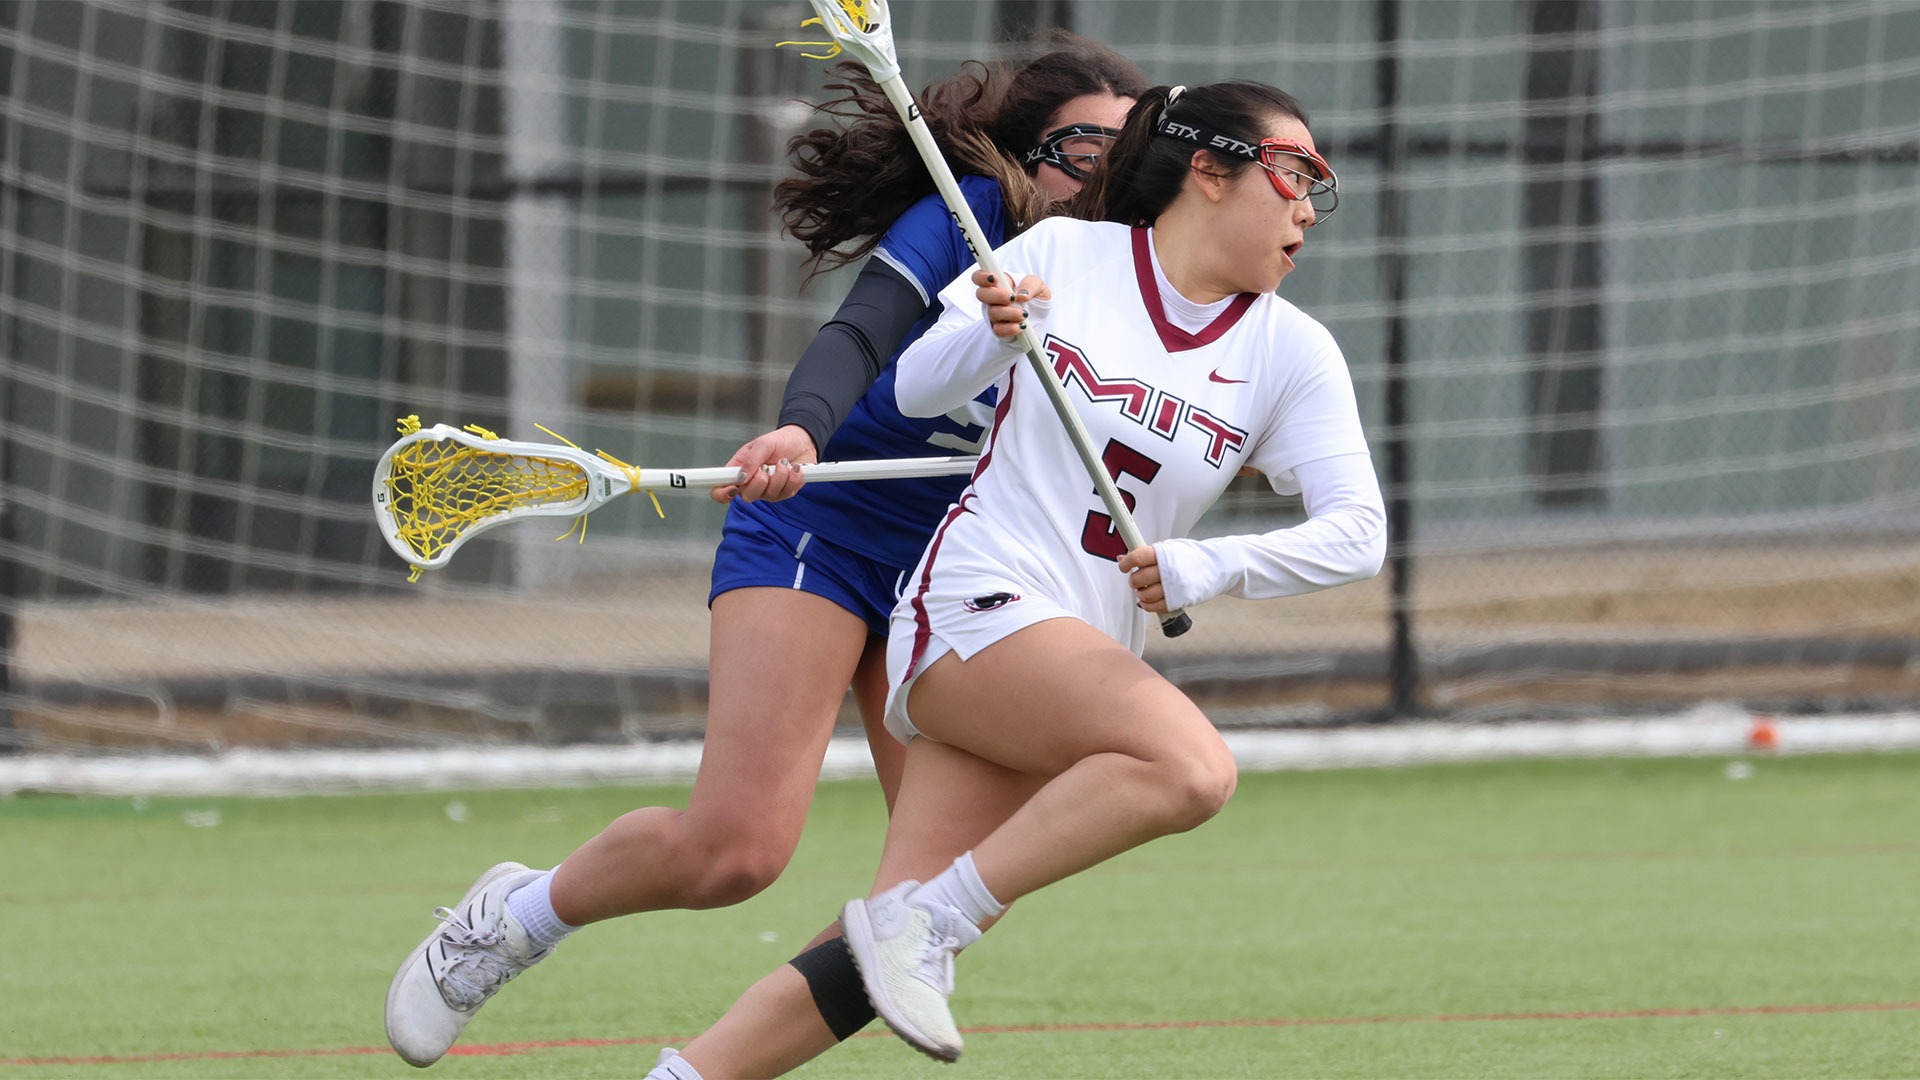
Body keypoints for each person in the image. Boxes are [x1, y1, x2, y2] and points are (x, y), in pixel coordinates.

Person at [382, 35, 1146, 1069]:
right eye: (1080, 145)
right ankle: (515, 917)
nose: (1101, 171)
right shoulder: (964, 215)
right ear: (1022, 150)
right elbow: (859, 332)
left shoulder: (1135, 277)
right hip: (824, 527)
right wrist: (804, 429)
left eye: (1124, 149)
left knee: (923, 910)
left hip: (961, 573)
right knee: (735, 850)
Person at [643, 79, 1385, 1079]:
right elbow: (914, 386)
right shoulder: (1061, 257)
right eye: (1294, 174)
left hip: (1071, 654)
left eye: (1315, 190)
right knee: (1192, 769)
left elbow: (1357, 534)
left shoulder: (1293, 352)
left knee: (870, 959)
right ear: (1209, 170)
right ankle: (932, 923)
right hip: (973, 607)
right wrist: (986, 332)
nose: (1306, 207)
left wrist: (1210, 565)